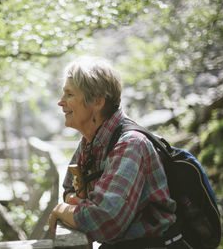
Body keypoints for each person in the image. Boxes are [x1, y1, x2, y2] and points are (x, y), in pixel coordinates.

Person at [48, 56, 189, 248]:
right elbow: (70, 188)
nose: (60, 102)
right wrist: (82, 204)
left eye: (69, 95)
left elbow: (105, 221)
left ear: (97, 102)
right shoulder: (90, 142)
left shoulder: (131, 145)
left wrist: (62, 210)